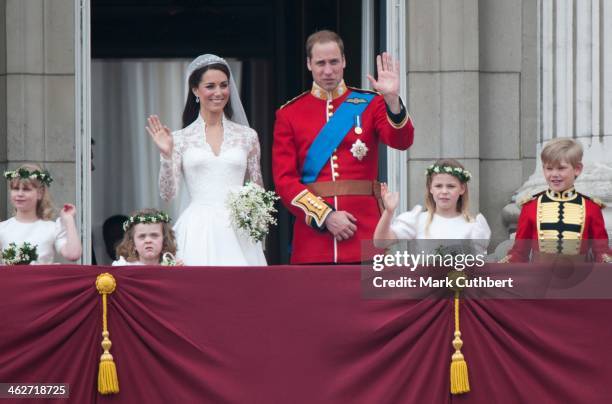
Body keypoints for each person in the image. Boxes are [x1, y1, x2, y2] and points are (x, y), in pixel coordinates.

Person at [273, 30, 415, 264]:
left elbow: (402, 142)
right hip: (314, 241)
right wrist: (325, 216)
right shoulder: (289, 113)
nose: (328, 71)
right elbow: (285, 180)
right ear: (309, 64)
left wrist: (391, 100)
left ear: (344, 61)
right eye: (320, 63)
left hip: (366, 231)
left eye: (334, 62)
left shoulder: (371, 104)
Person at [147, 54, 267, 266]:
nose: (218, 92)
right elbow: (168, 194)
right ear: (195, 90)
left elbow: (258, 190)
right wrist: (166, 155)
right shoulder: (180, 138)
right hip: (197, 228)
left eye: (223, 85)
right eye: (210, 86)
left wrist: (252, 218)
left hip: (238, 231)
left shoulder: (247, 136)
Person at [502, 138, 611, 263]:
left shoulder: (591, 208)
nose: (554, 174)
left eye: (561, 168)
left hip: (580, 280)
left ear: (577, 169)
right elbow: (519, 253)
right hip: (539, 280)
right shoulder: (530, 207)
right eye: (549, 168)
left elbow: (601, 252)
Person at [373, 159, 491, 253]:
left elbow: (477, 267)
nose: (444, 191)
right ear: (430, 188)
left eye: (451, 186)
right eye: (438, 186)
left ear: (462, 189)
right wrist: (388, 212)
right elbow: (380, 242)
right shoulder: (417, 220)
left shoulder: (473, 226)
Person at [0, 164, 82, 264]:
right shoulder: (3, 228)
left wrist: (69, 219)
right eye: (16, 189)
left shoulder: (52, 228)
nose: (20, 194)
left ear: (40, 193)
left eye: (26, 189)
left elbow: (73, 254)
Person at [113, 209, 180, 266]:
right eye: (142, 236)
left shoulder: (172, 266)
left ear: (164, 240)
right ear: (132, 242)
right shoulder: (122, 266)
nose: (148, 240)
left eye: (154, 235)